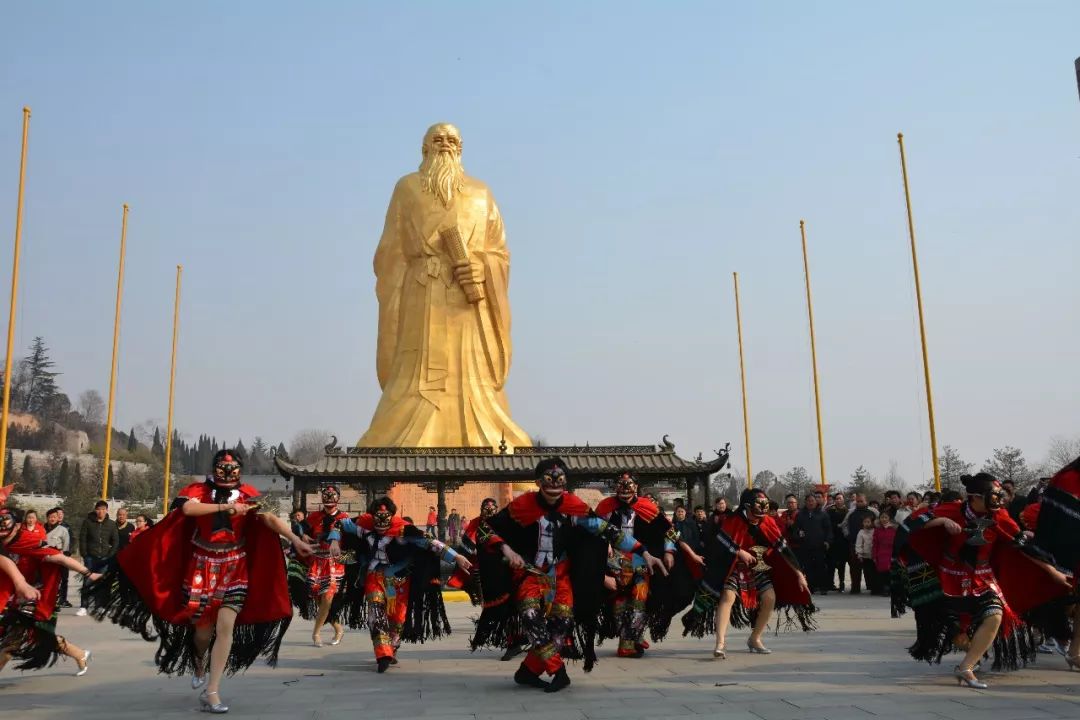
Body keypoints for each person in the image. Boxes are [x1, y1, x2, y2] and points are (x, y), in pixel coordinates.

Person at [86, 449, 313, 714]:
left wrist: (295, 539)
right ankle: (199, 662)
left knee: (226, 624)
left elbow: (269, 518)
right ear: (214, 468)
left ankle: (212, 690)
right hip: (201, 566)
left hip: (235, 565)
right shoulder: (197, 489)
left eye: (233, 468)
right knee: (202, 632)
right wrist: (225, 507)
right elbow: (187, 508)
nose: (228, 472)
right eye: (222, 467)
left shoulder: (248, 493)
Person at [357, 122, 530, 449]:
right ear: (425, 149)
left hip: (467, 302)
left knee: (471, 379)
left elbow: (499, 251)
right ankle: (401, 439)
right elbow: (389, 251)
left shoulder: (481, 193)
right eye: (438, 139)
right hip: (423, 297)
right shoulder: (407, 189)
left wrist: (481, 267)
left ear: (461, 148)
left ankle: (484, 438)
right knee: (418, 377)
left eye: (452, 140)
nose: (445, 144)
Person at [470, 457, 666, 692]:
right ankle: (558, 672)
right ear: (537, 482)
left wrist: (643, 551)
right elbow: (485, 528)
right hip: (529, 572)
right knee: (532, 617)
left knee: (561, 626)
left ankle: (528, 671)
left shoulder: (574, 507)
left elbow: (608, 530)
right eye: (548, 479)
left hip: (559, 573)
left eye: (559, 479)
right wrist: (506, 548)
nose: (554, 484)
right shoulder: (523, 505)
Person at [893, 473, 1071, 689]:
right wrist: (942, 521)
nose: (997, 501)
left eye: (998, 496)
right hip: (951, 577)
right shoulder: (952, 510)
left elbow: (1023, 547)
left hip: (983, 577)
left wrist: (1052, 572)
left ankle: (965, 668)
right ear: (975, 497)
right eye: (992, 496)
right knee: (957, 633)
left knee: (995, 616)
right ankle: (970, 648)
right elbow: (912, 525)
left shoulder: (999, 517)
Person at [329, 496, 471, 673]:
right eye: (377, 518)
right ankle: (382, 653)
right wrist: (334, 540)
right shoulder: (364, 525)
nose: (380, 524)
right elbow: (340, 523)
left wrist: (455, 557)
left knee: (398, 618)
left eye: (384, 518)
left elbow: (430, 543)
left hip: (399, 578)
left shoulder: (403, 531)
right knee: (375, 612)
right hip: (374, 575)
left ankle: (392, 647)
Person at [682, 487, 814, 659]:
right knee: (727, 596)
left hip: (756, 565)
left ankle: (755, 638)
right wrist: (739, 551)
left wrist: (798, 573)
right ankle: (720, 643)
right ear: (746, 508)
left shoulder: (766, 521)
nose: (758, 519)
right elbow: (721, 541)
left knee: (770, 598)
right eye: (754, 514)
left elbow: (783, 548)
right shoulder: (733, 520)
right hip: (732, 565)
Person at [0, 505, 100, 675]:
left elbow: (60, 558)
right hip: (15, 595)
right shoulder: (2, 545)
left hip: (37, 595)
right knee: (38, 638)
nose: (2, 527)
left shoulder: (29, 541)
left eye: (5, 522)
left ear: (17, 525)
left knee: (15, 639)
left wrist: (89, 574)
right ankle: (80, 654)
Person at [594, 473, 679, 658]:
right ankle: (629, 641)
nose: (625, 490)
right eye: (621, 485)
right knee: (619, 599)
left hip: (641, 559)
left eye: (629, 486)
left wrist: (669, 551)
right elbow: (594, 528)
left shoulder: (647, 506)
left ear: (636, 487)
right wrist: (604, 543)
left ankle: (632, 637)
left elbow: (670, 531)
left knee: (640, 596)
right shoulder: (605, 507)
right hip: (613, 560)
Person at [291, 485, 350, 648]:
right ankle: (338, 628)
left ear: (338, 498)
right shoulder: (314, 516)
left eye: (332, 495)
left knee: (328, 597)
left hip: (334, 563)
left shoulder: (344, 518)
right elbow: (300, 528)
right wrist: (303, 534)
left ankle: (316, 633)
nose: (329, 498)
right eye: (326, 495)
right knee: (319, 598)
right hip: (316, 560)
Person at [75, 501, 118, 616]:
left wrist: (110, 555)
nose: (101, 512)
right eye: (99, 509)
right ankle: (83, 607)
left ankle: (101, 606)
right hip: (90, 557)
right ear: (95, 510)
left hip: (104, 557)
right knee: (87, 582)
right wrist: (85, 554)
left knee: (103, 583)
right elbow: (82, 539)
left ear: (107, 510)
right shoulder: (88, 522)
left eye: (103, 509)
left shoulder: (111, 524)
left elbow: (115, 541)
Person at [792, 493, 832, 594]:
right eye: (808, 501)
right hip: (805, 545)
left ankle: (823, 587)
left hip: (819, 545)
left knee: (821, 566)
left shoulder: (823, 514)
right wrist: (798, 535)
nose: (811, 503)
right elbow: (795, 529)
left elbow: (828, 529)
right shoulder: (801, 514)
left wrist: (827, 541)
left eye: (812, 500)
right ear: (805, 502)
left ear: (816, 502)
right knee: (808, 567)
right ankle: (811, 587)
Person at [843, 494, 878, 594]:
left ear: (866, 501)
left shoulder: (873, 511)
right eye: (857, 501)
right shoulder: (851, 512)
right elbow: (844, 524)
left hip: (871, 544)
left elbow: (880, 522)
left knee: (871, 568)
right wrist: (847, 535)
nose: (859, 503)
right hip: (854, 543)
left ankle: (873, 587)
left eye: (861, 501)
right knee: (855, 568)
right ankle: (855, 587)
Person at [826, 492, 849, 591]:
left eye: (840, 498)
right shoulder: (830, 511)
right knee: (831, 563)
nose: (838, 500)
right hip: (832, 540)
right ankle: (830, 583)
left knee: (842, 564)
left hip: (843, 541)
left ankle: (842, 583)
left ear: (843, 499)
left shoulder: (848, 511)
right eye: (837, 499)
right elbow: (828, 524)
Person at [872, 512, 896, 597]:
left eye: (886, 517)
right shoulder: (877, 530)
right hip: (881, 554)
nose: (884, 519)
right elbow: (875, 544)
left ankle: (891, 588)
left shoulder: (894, 529)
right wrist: (874, 556)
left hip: (891, 553)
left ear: (889, 518)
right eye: (882, 517)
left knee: (891, 572)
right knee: (882, 573)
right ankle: (885, 588)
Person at [854, 515, 876, 594]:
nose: (867, 524)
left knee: (875, 572)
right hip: (865, 556)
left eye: (868, 522)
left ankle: (875, 588)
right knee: (867, 572)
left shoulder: (875, 531)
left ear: (872, 523)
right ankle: (869, 586)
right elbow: (858, 544)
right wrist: (859, 554)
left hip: (874, 555)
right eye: (865, 522)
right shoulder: (861, 532)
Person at [56, 508, 73, 606]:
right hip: (53, 555)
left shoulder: (67, 526)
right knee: (53, 578)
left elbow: (72, 539)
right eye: (58, 513)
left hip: (65, 556)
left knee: (64, 578)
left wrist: (69, 551)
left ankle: (63, 599)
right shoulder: (49, 526)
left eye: (62, 513)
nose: (60, 515)